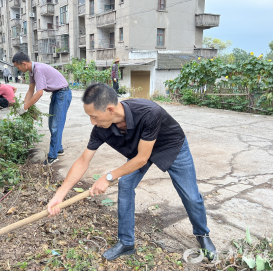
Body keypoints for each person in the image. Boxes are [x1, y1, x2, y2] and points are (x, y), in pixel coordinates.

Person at [47, 83, 217, 261]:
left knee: (190, 195)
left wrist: (108, 177)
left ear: (110, 109)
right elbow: (83, 161)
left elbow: (143, 158)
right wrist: (60, 195)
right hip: (140, 151)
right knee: (126, 183)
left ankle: (203, 235)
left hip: (171, 146)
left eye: (94, 116)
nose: (92, 122)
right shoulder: (100, 129)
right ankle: (126, 243)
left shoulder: (149, 112)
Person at [12, 52, 72, 165]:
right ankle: (59, 149)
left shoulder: (38, 70)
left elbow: (39, 93)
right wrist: (24, 105)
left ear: (24, 64)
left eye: (18, 66)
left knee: (56, 125)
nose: (18, 69)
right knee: (52, 124)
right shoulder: (32, 71)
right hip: (57, 94)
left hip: (63, 94)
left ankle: (52, 157)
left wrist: (25, 107)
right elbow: (31, 90)